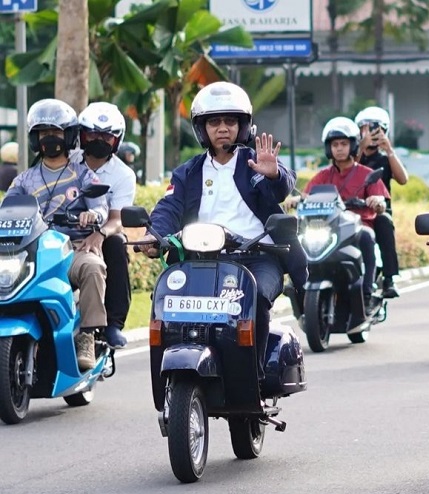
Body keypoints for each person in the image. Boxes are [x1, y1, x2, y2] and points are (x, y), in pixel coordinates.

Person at [137, 82, 306, 393]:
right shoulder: (188, 172)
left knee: (254, 301)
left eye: (230, 121)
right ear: (202, 128)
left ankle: (252, 381)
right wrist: (154, 234)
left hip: (257, 257)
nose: (223, 129)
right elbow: (169, 207)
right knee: (168, 306)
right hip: (201, 259)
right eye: (214, 122)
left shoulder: (256, 163)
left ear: (243, 126)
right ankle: (173, 386)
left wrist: (274, 174)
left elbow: (282, 186)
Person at [6, 99, 109, 371]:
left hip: (71, 248)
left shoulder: (83, 174)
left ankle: (87, 335)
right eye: (43, 133)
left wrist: (93, 216)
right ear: (34, 139)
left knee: (93, 267)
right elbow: (8, 209)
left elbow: (100, 206)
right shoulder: (24, 180)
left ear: (69, 136)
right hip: (32, 251)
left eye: (55, 132)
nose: (49, 138)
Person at [285, 117, 390, 308]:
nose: (339, 148)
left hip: (356, 227)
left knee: (367, 236)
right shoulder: (323, 175)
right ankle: (295, 284)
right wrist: (295, 199)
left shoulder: (366, 173)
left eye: (344, 143)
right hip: (328, 227)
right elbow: (307, 195)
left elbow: (381, 201)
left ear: (353, 146)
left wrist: (377, 202)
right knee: (296, 239)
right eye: (335, 144)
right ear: (328, 148)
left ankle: (367, 290)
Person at [73, 102, 137, 348]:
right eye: (93, 134)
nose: (99, 140)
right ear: (81, 135)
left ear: (117, 140)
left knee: (117, 243)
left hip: (101, 230)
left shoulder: (123, 175)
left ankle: (112, 324)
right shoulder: (68, 162)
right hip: (63, 232)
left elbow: (117, 219)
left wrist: (99, 234)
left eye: (106, 136)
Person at [354, 106, 405, 298]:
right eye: (367, 129)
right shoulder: (352, 157)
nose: (372, 134)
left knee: (384, 222)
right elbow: (352, 170)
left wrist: (389, 150)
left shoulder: (385, 159)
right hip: (353, 210)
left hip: (379, 211)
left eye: (377, 129)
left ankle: (389, 279)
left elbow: (402, 179)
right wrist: (360, 146)